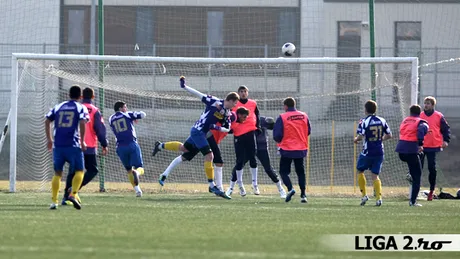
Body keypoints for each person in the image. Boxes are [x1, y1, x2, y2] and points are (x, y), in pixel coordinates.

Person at [154, 76, 239, 199]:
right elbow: (199, 94)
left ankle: (161, 146)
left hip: (201, 133)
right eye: (235, 103)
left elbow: (227, 128)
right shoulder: (214, 101)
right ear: (230, 100)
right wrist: (184, 87)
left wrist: (217, 127)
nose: (235, 106)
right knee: (210, 156)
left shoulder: (227, 113)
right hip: (197, 131)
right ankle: (211, 185)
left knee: (184, 149)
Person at [152, 107, 249, 192]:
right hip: (208, 136)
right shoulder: (233, 116)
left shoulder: (233, 120)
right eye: (244, 117)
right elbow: (222, 119)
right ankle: (217, 187)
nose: (244, 119)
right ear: (239, 114)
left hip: (203, 135)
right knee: (217, 161)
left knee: (184, 151)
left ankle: (161, 151)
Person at [62, 87, 108, 205]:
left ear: (82, 96)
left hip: (74, 144)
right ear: (93, 97)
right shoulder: (94, 110)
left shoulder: (75, 108)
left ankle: (66, 197)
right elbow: (100, 129)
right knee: (92, 170)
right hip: (89, 146)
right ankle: (74, 190)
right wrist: (104, 143)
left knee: (73, 171)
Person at [45, 85, 89, 210]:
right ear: (80, 96)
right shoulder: (80, 107)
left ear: (68, 95)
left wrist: (49, 139)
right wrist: (82, 141)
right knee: (80, 171)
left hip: (58, 145)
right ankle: (73, 194)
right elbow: (82, 122)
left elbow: (47, 120)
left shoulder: (58, 106)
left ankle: (54, 201)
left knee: (57, 173)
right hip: (73, 144)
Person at [226, 116, 287, 198]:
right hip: (248, 147)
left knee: (268, 168)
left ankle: (280, 189)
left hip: (262, 147)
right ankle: (231, 188)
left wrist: (272, 123)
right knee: (239, 165)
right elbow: (232, 130)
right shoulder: (243, 120)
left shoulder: (261, 119)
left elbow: (272, 126)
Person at [353, 100, 392, 207]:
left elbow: (361, 136)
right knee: (375, 175)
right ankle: (379, 198)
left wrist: (356, 139)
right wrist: (380, 140)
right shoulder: (382, 120)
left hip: (367, 152)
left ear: (365, 110)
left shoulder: (363, 121)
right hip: (379, 152)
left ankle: (364, 195)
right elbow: (389, 135)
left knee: (360, 170)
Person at [273, 97, 311, 203]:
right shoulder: (304, 116)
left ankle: (290, 189)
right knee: (300, 172)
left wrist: (280, 140)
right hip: (301, 148)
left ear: (285, 106)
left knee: (284, 171)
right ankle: (303, 195)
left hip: (287, 148)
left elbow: (277, 135)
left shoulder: (283, 117)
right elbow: (308, 130)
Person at [109, 101, 146, 197]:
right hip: (131, 144)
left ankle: (138, 191)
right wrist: (134, 117)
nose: (127, 109)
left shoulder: (111, 119)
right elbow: (143, 114)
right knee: (139, 167)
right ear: (121, 108)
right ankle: (137, 173)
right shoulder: (127, 114)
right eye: (125, 107)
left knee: (129, 170)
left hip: (120, 147)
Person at [395, 104, 429, 207]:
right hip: (410, 149)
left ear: (410, 112)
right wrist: (420, 144)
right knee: (417, 177)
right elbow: (421, 130)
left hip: (401, 150)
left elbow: (401, 130)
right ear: (420, 112)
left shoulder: (405, 121)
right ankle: (413, 202)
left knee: (420, 155)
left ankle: (410, 174)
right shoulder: (421, 122)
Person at [419, 96, 450, 201]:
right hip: (421, 146)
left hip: (433, 146)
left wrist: (446, 140)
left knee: (432, 168)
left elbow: (446, 129)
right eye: (425, 103)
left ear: (432, 105)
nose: (426, 105)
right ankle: (415, 190)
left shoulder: (438, 116)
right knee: (418, 168)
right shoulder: (420, 115)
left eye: (428, 103)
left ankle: (431, 191)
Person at [232, 85, 261, 195]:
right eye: (241, 91)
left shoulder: (253, 103)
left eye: (245, 91)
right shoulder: (234, 104)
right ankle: (240, 186)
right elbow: (230, 116)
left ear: (247, 93)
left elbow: (257, 114)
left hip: (250, 133)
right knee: (239, 160)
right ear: (238, 93)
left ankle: (255, 185)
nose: (243, 93)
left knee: (253, 157)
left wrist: (258, 126)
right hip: (238, 134)